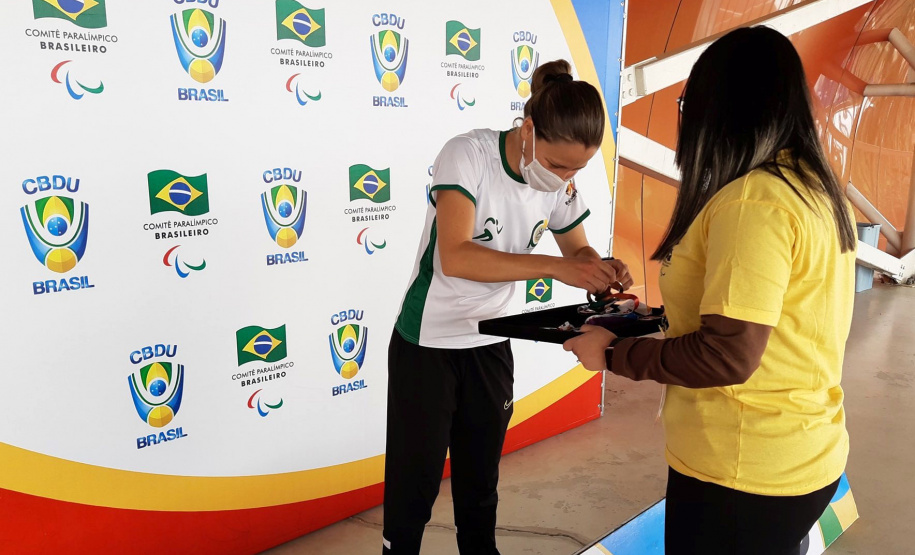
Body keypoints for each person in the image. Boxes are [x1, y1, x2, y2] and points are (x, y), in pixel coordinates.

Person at [564, 26, 857, 555]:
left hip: (743, 468)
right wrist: (648, 317)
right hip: (800, 453)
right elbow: (770, 316)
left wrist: (612, 353)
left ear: (717, 108)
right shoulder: (811, 189)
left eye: (687, 100)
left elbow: (729, 355)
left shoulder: (753, 203)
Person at [382, 59, 633, 555]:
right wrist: (558, 269)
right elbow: (454, 257)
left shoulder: (559, 182)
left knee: (481, 484)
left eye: (578, 169)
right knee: (415, 487)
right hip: (428, 342)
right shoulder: (467, 155)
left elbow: (576, 251)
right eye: (560, 166)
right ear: (528, 130)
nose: (566, 178)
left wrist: (600, 270)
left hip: (493, 339)